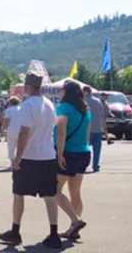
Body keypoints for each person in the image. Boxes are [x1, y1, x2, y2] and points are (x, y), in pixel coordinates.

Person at [0, 73, 62, 249]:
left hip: (30, 156)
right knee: (49, 195)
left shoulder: (27, 105)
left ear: (28, 87)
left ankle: (15, 230)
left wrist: (17, 158)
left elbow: (25, 132)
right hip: (48, 154)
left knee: (19, 193)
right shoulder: (49, 104)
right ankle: (54, 233)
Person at [54, 82, 90, 241]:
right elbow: (87, 133)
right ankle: (73, 227)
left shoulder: (63, 108)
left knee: (54, 189)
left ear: (65, 92)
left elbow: (61, 131)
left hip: (68, 152)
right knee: (75, 192)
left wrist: (60, 153)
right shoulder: (85, 109)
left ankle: (75, 221)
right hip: (83, 152)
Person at [83, 86, 108, 173]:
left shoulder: (82, 101)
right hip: (97, 129)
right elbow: (103, 116)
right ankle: (95, 165)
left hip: (85, 129)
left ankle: (83, 165)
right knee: (97, 150)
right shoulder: (98, 101)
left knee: (84, 149)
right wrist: (105, 130)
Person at [0, 97, 23, 172]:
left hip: (11, 130)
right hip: (21, 130)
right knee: (20, 147)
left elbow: (6, 121)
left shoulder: (9, 110)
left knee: (11, 147)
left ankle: (13, 163)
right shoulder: (22, 109)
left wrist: (1, 130)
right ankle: (20, 162)